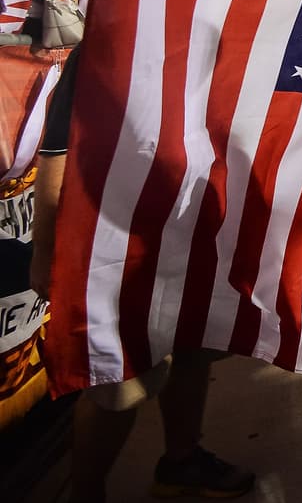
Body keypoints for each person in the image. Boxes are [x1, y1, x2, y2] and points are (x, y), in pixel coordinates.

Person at [29, 48, 255, 502]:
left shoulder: (211, 36)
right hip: (119, 244)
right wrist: (47, 251)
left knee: (194, 350)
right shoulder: (105, 49)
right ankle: (86, 494)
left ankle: (182, 461)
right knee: (120, 381)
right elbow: (57, 154)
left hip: (190, 231)